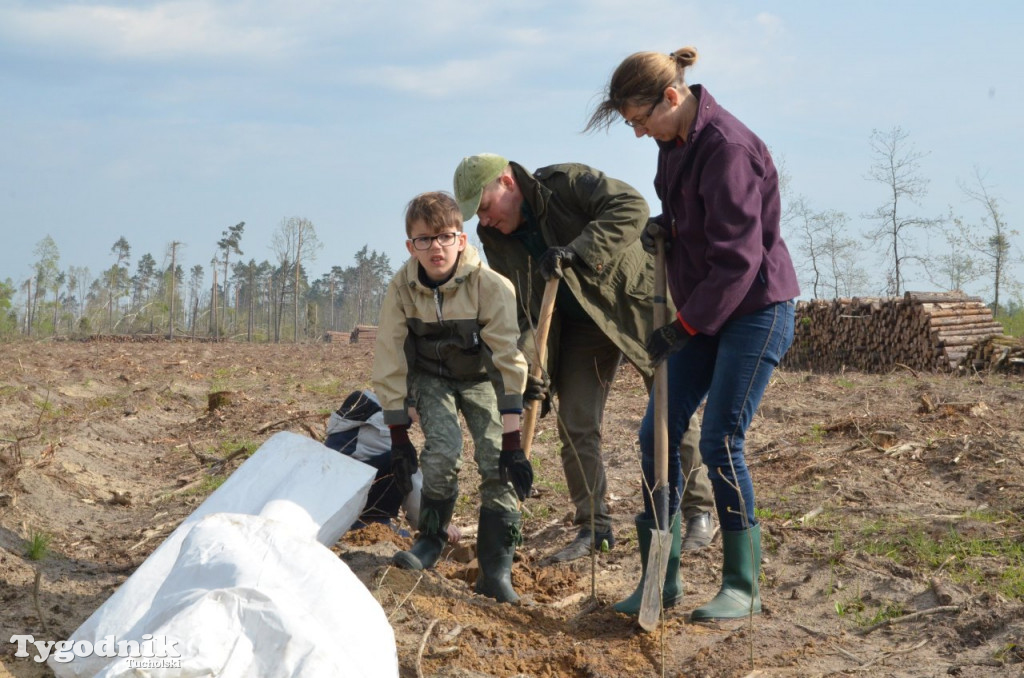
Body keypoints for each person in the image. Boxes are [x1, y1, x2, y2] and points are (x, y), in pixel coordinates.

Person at [586, 46, 800, 621]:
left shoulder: (726, 148)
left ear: (672, 98)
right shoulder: (671, 144)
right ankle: (662, 576)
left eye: (638, 120)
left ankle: (742, 583)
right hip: (708, 309)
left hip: (755, 308)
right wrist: (668, 229)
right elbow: (693, 222)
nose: (637, 133)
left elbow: (738, 259)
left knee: (719, 441)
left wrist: (683, 325)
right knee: (657, 432)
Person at [452, 153, 716, 575]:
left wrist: (577, 252)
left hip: (634, 303)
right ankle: (594, 526)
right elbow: (524, 312)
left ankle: (699, 511)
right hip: (575, 329)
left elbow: (632, 207)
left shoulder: (565, 184)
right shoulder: (497, 240)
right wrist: (529, 371)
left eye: (483, 207)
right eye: (475, 216)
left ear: (506, 182)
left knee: (672, 407)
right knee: (576, 421)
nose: (482, 221)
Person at [371, 191, 539, 603]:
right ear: (411, 246)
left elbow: (506, 359)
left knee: (494, 458)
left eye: (445, 237)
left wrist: (513, 443)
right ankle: (429, 540)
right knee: (443, 451)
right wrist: (397, 437)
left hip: (481, 377)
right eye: (424, 240)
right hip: (431, 377)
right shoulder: (401, 289)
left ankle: (496, 571)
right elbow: (390, 357)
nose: (436, 248)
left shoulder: (490, 286)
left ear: (461, 240)